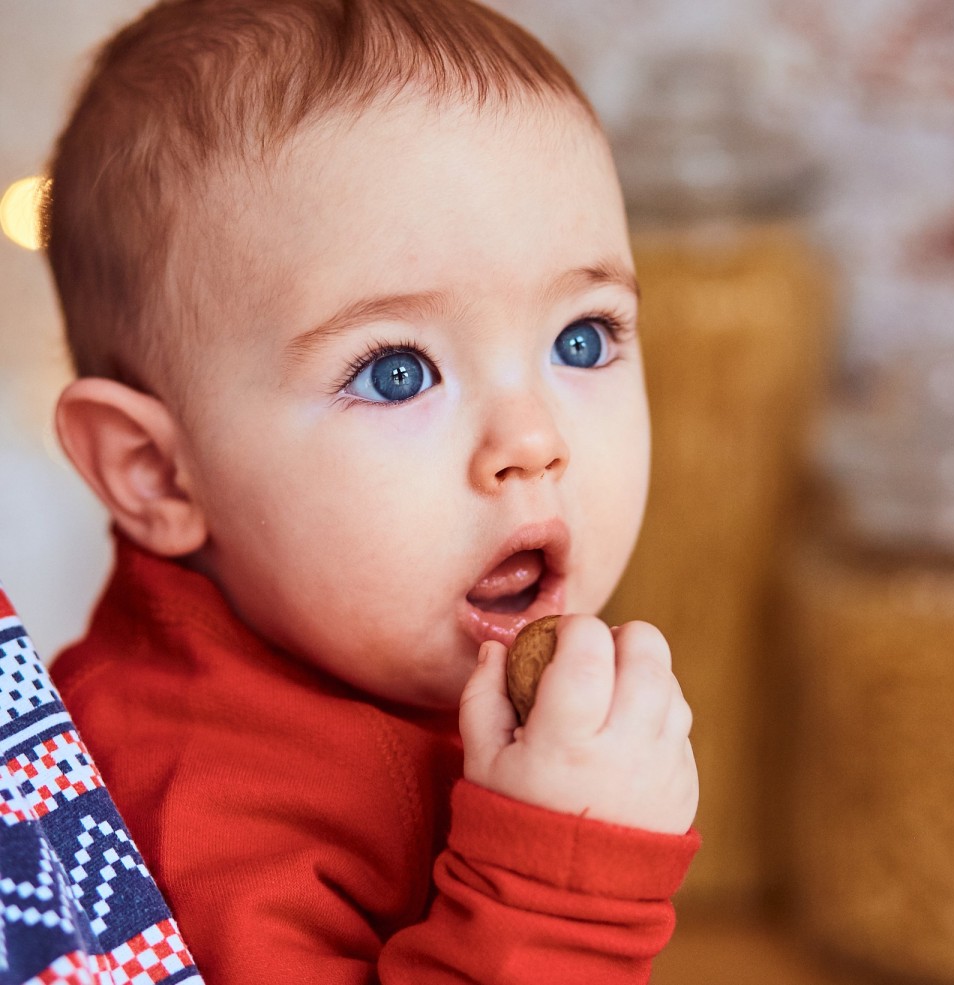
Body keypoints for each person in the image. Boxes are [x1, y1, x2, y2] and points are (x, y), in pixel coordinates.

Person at [43, 0, 700, 981]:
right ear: (157, 472)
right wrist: (563, 892)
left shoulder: (368, 632)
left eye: (583, 338)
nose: (534, 442)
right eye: (397, 370)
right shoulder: (180, 821)